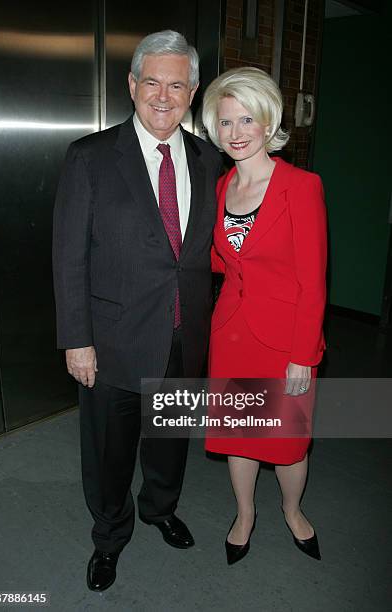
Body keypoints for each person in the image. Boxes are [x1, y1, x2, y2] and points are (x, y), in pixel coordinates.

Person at [52, 30, 222, 591]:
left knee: (170, 441)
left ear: (193, 91)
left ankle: (159, 508)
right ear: (131, 85)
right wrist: (77, 339)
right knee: (108, 452)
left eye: (177, 84)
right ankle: (110, 534)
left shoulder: (209, 160)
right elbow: (68, 256)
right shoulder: (91, 157)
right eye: (152, 81)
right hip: (113, 340)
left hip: (182, 336)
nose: (163, 96)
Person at [202, 67, 327, 565]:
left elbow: (312, 281)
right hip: (231, 334)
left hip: (285, 342)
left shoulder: (300, 186)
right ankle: (245, 513)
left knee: (289, 441)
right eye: (226, 121)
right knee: (240, 434)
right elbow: (225, 258)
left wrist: (303, 357)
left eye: (246, 119)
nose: (235, 132)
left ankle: (292, 509)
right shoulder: (222, 186)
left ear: (268, 121)